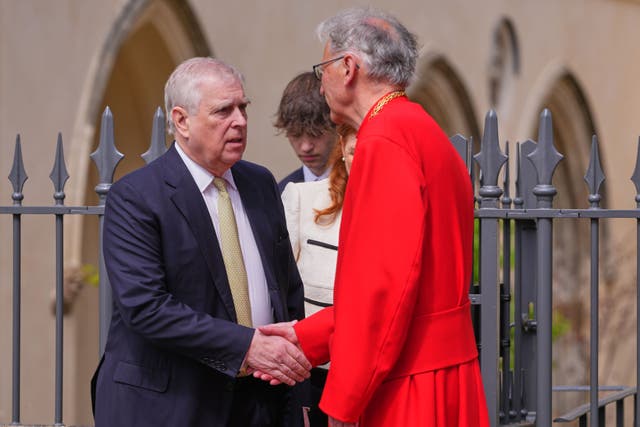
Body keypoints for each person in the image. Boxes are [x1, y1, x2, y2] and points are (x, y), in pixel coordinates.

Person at [259, 7, 489, 427]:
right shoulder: (421, 129)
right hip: (439, 373)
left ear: (348, 68)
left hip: (408, 384)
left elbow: (382, 292)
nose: (321, 82)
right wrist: (303, 337)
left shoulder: (384, 140)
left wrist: (345, 399)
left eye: (323, 67)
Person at [91, 57, 311, 427]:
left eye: (243, 108)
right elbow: (145, 307)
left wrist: (297, 393)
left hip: (259, 402)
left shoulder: (260, 184)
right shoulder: (138, 196)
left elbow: (287, 293)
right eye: (223, 110)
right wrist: (247, 347)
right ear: (181, 121)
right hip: (172, 405)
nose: (239, 121)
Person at [281, 124, 356, 426]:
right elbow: (283, 291)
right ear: (342, 149)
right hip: (310, 373)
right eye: (353, 150)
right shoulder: (302, 196)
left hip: (369, 375)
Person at [275, 71, 337, 192]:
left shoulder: (362, 183)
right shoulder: (281, 194)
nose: (305, 147)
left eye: (315, 133)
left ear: (338, 126)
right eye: (295, 134)